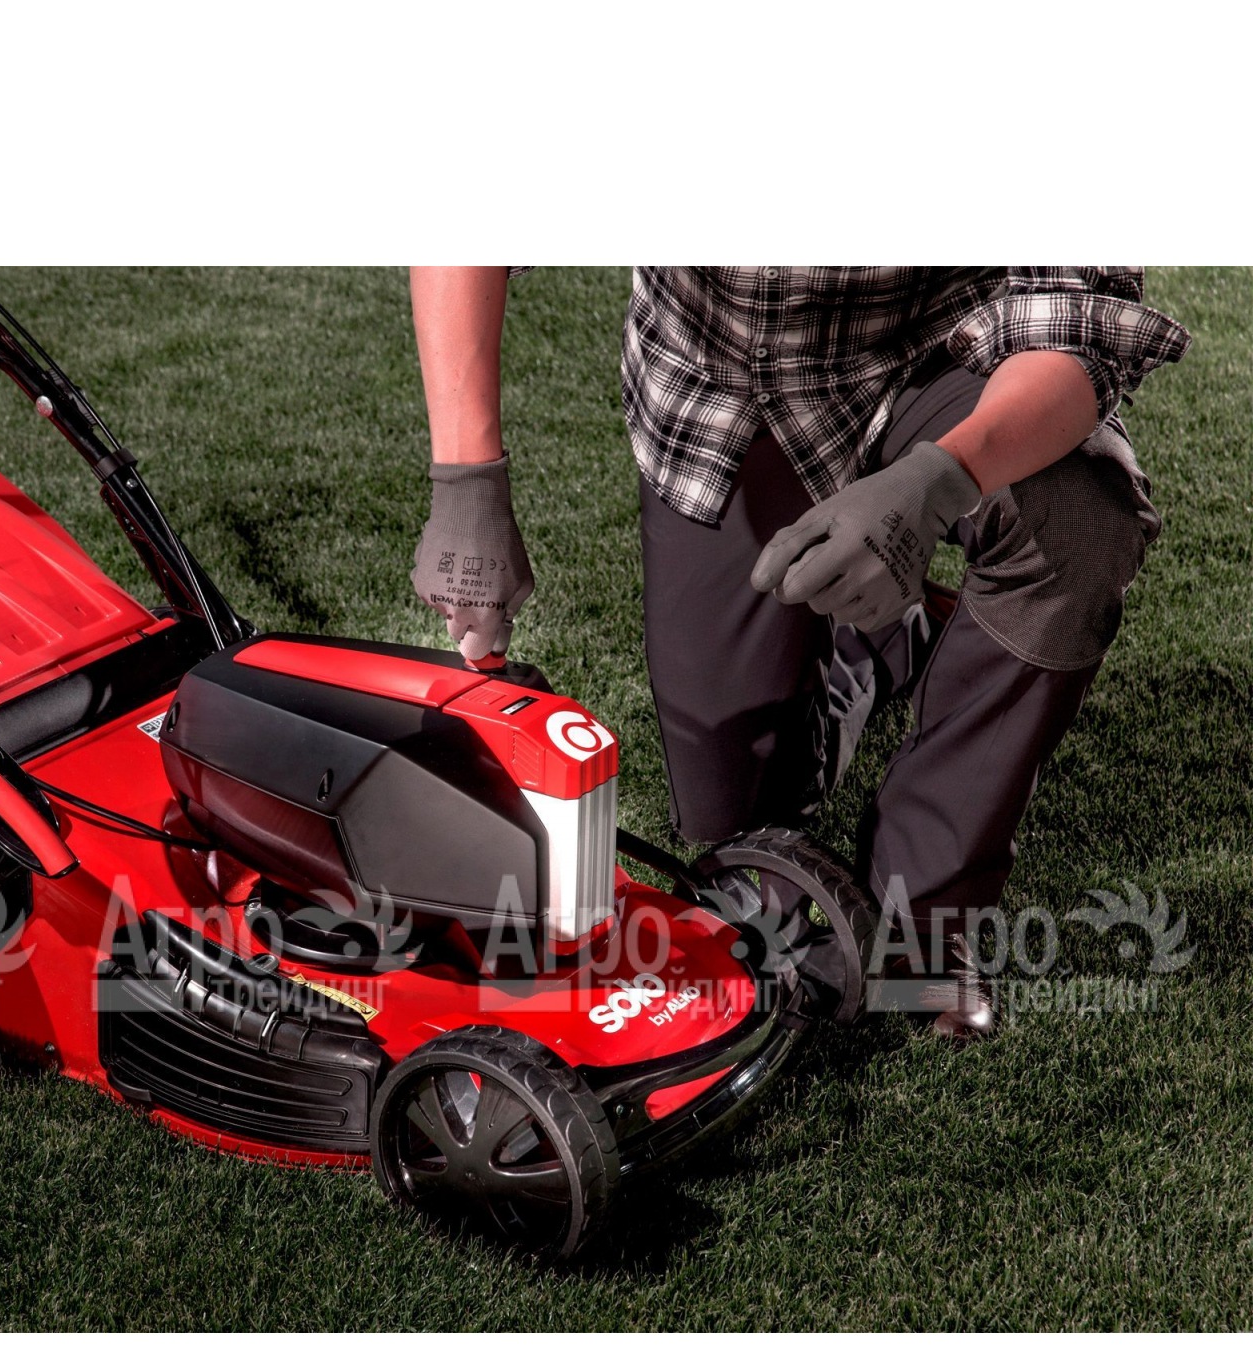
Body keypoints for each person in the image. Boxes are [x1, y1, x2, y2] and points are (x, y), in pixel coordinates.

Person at [409, 267, 1190, 1037]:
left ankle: (921, 923)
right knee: (743, 840)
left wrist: (940, 480)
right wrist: (466, 486)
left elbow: (1077, 316)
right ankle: (877, 645)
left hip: (949, 349)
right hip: (720, 381)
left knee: (1080, 523)